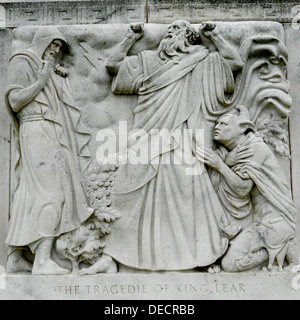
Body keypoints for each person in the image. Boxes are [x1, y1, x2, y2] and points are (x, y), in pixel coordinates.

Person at [79, 20, 244, 274]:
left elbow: (234, 65)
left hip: (180, 143)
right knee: (128, 197)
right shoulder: (148, 61)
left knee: (185, 203)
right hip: (145, 140)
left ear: (189, 38)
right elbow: (113, 66)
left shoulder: (203, 61)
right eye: (169, 30)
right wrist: (128, 39)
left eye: (176, 30)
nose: (170, 33)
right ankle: (112, 258)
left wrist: (217, 36)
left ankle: (193, 261)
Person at [5, 27, 94, 275]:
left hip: (47, 129)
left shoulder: (43, 65)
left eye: (59, 47)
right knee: (54, 194)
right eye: (54, 45)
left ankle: (15, 256)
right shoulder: (23, 60)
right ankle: (42, 260)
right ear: (42, 40)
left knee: (29, 192)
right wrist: (43, 79)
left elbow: (50, 91)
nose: (55, 51)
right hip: (35, 128)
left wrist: (54, 75)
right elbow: (14, 100)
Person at [196, 105, 299, 272]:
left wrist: (220, 165)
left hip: (273, 222)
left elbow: (242, 189)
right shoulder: (235, 151)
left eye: (224, 124)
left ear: (242, 128)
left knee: (230, 264)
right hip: (258, 220)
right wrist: (225, 162)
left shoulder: (254, 148)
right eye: (217, 124)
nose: (217, 127)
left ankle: (276, 247)